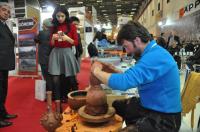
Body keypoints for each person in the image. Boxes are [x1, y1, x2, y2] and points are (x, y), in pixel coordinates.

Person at [91, 21, 181, 132]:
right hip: (151, 104)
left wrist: (96, 72)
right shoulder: (151, 52)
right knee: (116, 105)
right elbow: (132, 77)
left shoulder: (155, 56)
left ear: (137, 40)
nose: (126, 51)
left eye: (126, 46)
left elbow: (124, 83)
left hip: (166, 118)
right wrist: (113, 70)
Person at [48, 5, 79, 110]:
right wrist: (53, 38)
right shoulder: (53, 27)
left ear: (66, 15)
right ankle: (58, 101)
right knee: (55, 78)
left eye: (62, 16)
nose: (60, 18)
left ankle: (76, 99)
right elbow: (51, 44)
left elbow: (76, 42)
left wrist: (67, 38)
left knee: (71, 78)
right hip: (56, 53)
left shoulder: (72, 26)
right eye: (58, 16)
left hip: (67, 52)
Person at [0, 2, 17, 128]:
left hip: (4, 64)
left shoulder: (4, 24)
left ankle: (2, 113)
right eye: (4, 10)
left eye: (8, 10)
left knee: (3, 90)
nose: (7, 12)